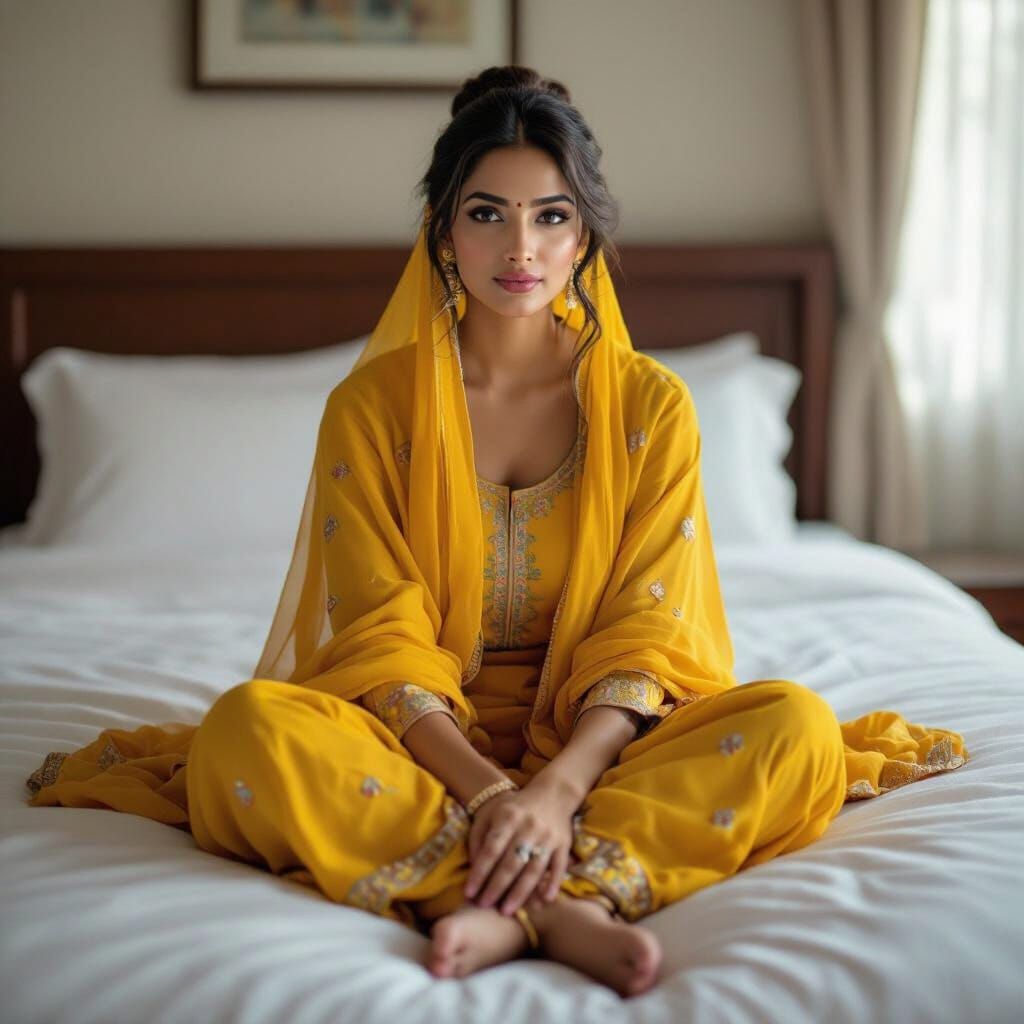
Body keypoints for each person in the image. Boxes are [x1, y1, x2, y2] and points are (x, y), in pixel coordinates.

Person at [25, 65, 970, 999]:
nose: (519, 245)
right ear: (443, 231)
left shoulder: (650, 405)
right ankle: (551, 908)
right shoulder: (372, 406)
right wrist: (489, 796)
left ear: (584, 233)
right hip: (413, 741)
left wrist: (555, 793)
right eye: (487, 213)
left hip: (608, 743)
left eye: (550, 215)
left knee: (794, 727)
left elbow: (650, 635)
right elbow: (376, 638)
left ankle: (531, 888)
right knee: (247, 730)